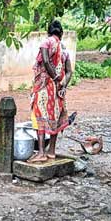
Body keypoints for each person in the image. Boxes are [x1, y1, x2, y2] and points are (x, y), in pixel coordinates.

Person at [28, 20, 73, 163]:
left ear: (49, 31)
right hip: (59, 89)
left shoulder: (46, 43)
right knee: (56, 117)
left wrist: (53, 78)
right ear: (61, 33)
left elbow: (46, 61)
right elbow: (69, 71)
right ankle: (51, 151)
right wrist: (62, 84)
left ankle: (41, 152)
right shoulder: (64, 48)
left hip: (44, 87)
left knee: (39, 116)